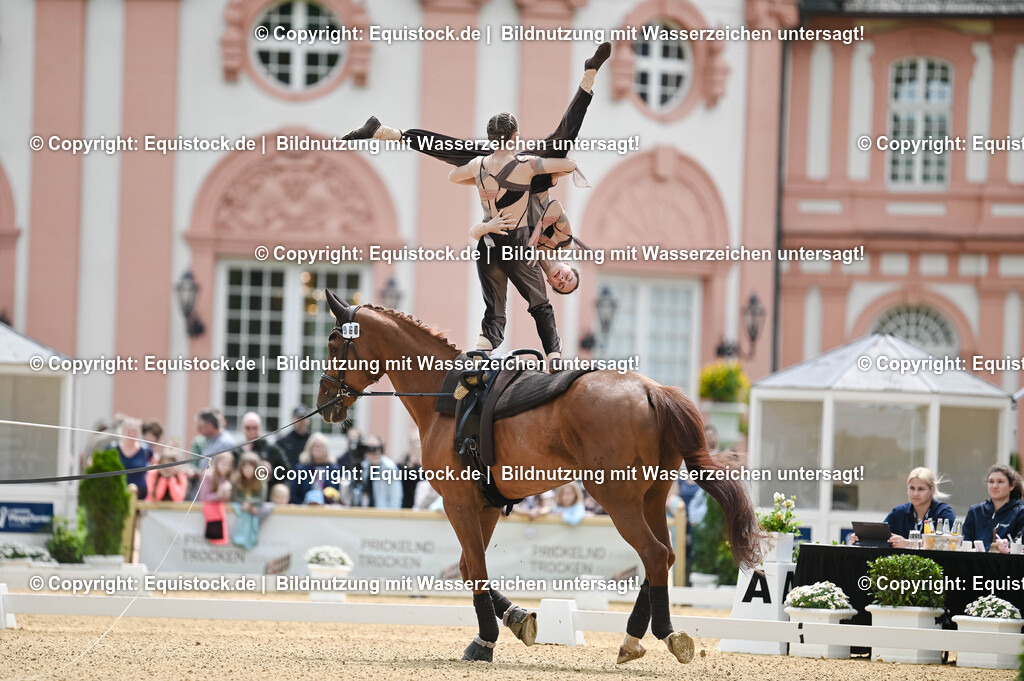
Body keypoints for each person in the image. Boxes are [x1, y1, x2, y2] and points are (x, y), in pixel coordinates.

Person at [343, 43, 611, 300]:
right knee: (564, 139)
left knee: (457, 153)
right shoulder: (561, 241)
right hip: (535, 180)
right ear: (567, 266)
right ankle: (590, 74)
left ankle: (382, 132)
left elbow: (484, 236)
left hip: (503, 182)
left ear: (551, 284)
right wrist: (534, 237)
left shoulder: (526, 267)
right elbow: (554, 209)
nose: (562, 279)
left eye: (560, 284)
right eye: (568, 277)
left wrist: (483, 199)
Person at [880, 467, 955, 548]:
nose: (915, 493)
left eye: (921, 489)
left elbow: (947, 543)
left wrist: (908, 544)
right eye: (912, 488)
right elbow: (880, 537)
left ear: (932, 490)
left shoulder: (944, 512)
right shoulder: (899, 512)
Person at [963, 464, 1024, 551]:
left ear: (1012, 486)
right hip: (976, 562)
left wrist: (1007, 548)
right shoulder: (975, 511)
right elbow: (965, 543)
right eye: (991, 481)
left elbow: (1019, 547)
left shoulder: (1020, 512)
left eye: (1000, 482)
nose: (995, 486)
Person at [234, 411, 290, 497]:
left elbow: (287, 471)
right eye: (248, 428)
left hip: (265, 495)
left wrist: (271, 471)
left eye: (255, 428)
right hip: (242, 495)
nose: (251, 431)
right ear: (243, 428)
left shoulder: (271, 448)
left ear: (260, 428)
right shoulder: (237, 450)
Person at [231, 452, 269, 549]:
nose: (248, 470)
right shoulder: (237, 480)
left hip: (253, 509)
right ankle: (239, 538)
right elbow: (235, 497)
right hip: (242, 507)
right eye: (245, 467)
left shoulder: (261, 481)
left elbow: (261, 499)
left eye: (250, 467)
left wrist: (250, 503)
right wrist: (246, 503)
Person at [290, 433, 339, 504]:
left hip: (328, 508)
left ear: (326, 449)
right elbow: (294, 493)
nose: (318, 448)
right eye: (315, 446)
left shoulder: (334, 469)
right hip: (304, 508)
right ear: (309, 448)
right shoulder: (301, 468)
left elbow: (338, 492)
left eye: (321, 446)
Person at [360, 435, 404, 509]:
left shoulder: (389, 468)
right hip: (365, 514)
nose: (371, 451)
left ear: (380, 449)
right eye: (368, 448)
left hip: (383, 514)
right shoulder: (363, 466)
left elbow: (396, 497)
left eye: (373, 448)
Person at [199, 452, 234, 545]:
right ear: (217, 462)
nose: (226, 467)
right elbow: (204, 497)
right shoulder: (207, 475)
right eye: (223, 464)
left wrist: (228, 494)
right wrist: (218, 495)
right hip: (210, 515)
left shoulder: (229, 478)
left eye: (228, 465)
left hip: (223, 514)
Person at [115, 418, 152, 500]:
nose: (131, 434)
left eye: (134, 431)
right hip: (118, 494)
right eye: (129, 431)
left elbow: (154, 465)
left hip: (140, 495)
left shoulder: (145, 450)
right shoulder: (113, 448)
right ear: (123, 432)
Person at [276, 405, 311, 470]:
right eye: (299, 418)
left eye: (304, 418)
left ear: (309, 420)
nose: (302, 421)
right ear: (292, 419)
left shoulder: (313, 441)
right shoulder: (283, 441)